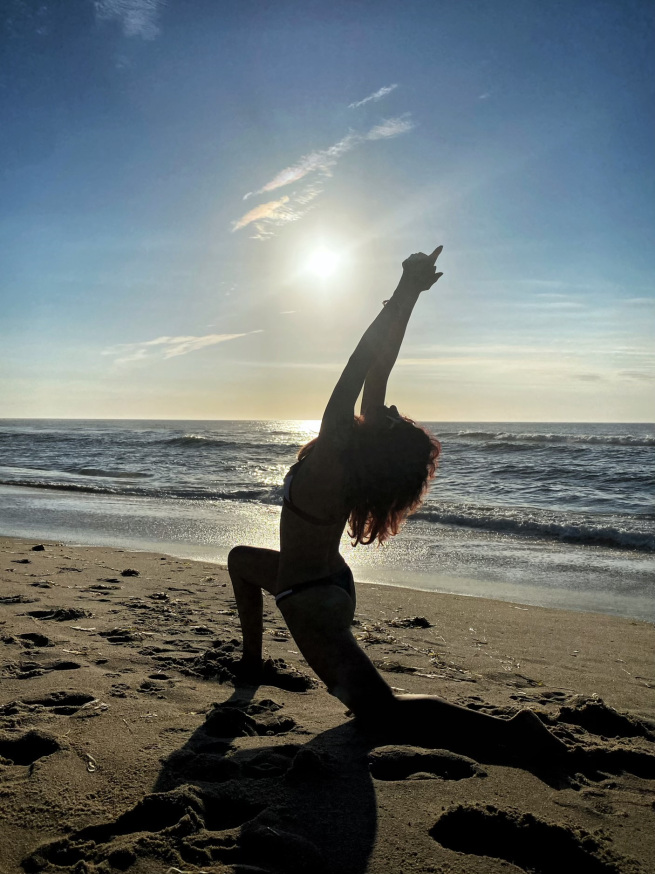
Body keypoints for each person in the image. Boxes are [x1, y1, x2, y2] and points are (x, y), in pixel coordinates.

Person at [228, 245, 566, 760]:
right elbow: (380, 367)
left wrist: (404, 287)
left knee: (382, 712)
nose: (389, 405)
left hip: (309, 599)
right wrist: (410, 296)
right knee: (240, 560)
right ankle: (251, 663)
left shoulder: (334, 452)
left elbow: (359, 362)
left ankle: (514, 732)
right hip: (321, 580)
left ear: (379, 435)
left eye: (394, 414)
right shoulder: (352, 451)